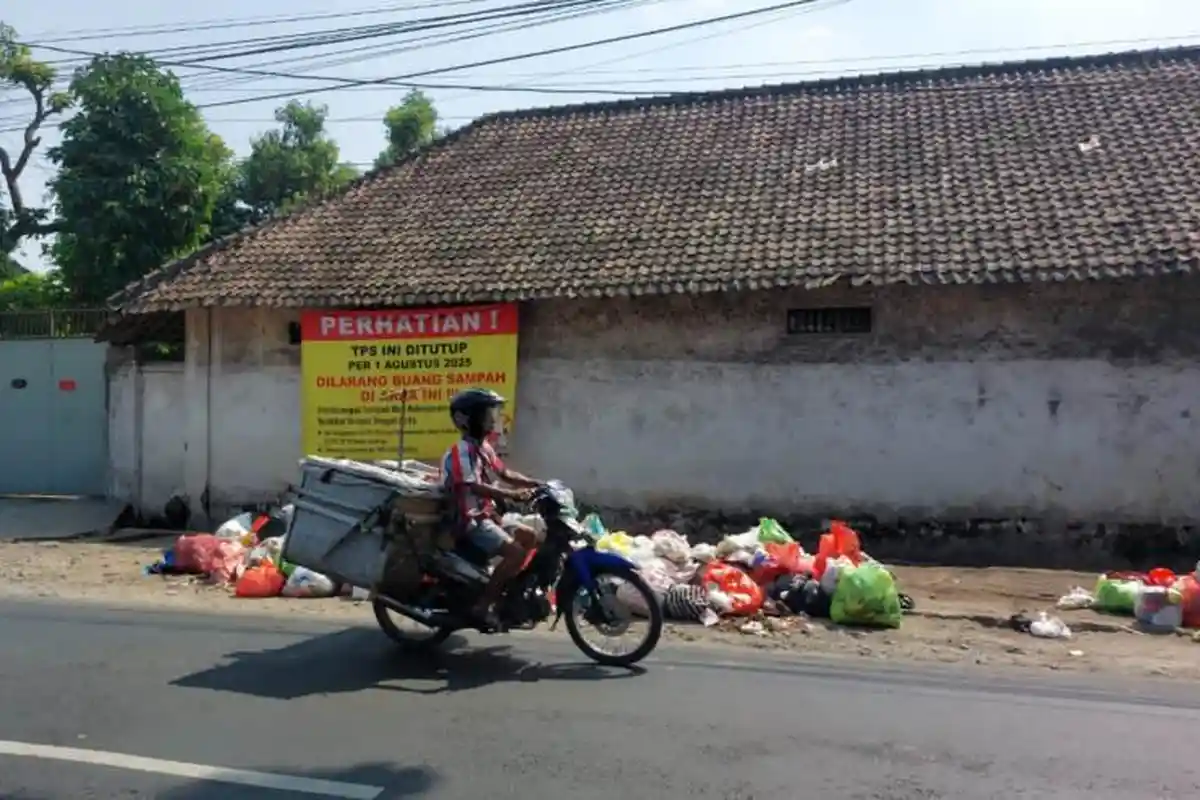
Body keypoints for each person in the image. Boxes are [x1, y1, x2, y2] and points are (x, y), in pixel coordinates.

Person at [441, 388, 543, 629]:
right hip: (468, 521)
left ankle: (503, 587)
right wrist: (512, 494)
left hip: (486, 516)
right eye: (486, 415)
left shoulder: (482, 447)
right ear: (468, 419)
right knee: (516, 553)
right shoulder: (460, 452)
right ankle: (483, 605)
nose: (491, 420)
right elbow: (474, 486)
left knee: (530, 537)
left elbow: (505, 473)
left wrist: (537, 484)